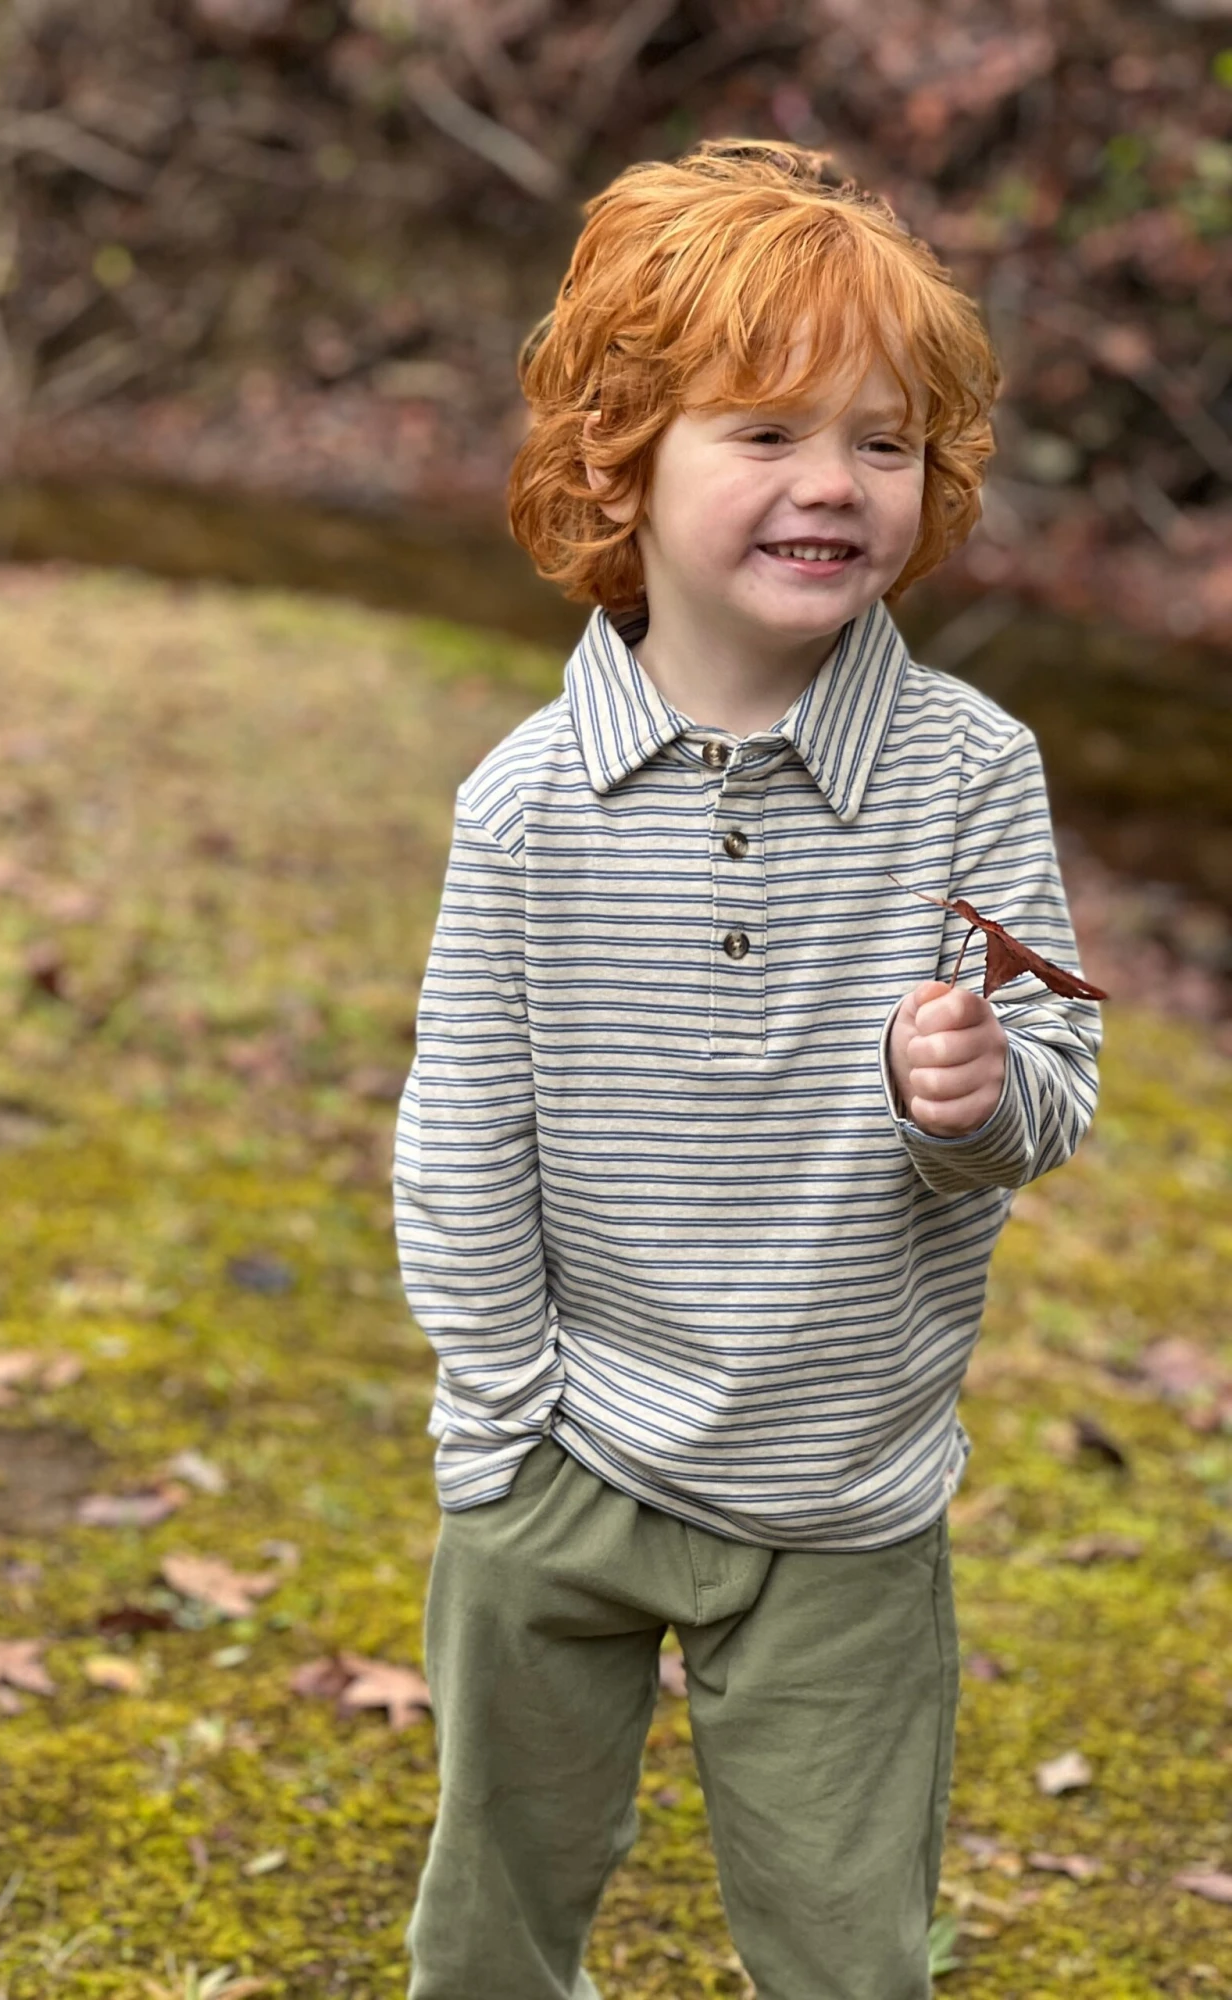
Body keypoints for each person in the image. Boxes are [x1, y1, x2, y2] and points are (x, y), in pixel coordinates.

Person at [391, 139, 1102, 2000]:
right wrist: (497, 1429)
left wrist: (975, 1108)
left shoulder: (968, 771)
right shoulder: (529, 806)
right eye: (765, 431)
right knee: (496, 1914)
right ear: (622, 463)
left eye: (882, 442)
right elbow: (466, 1134)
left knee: (848, 1947)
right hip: (565, 1466)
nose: (832, 485)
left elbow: (1056, 1067)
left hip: (846, 1497)